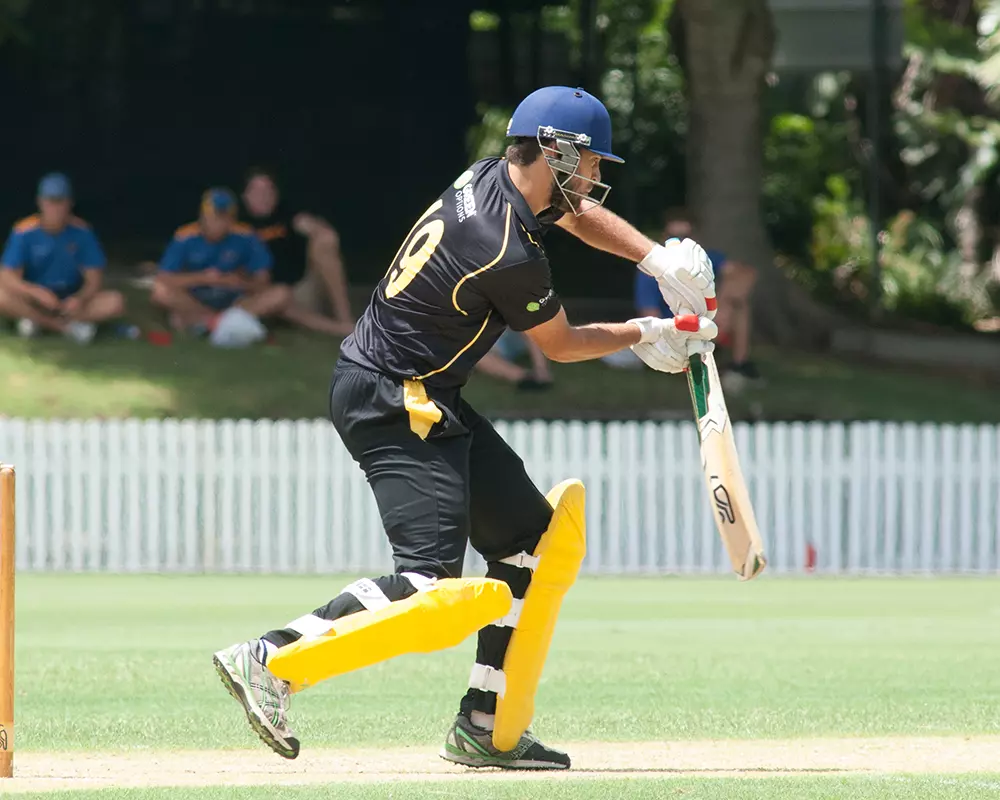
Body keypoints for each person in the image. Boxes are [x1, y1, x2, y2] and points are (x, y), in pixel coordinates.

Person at [212, 86, 717, 770]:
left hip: (419, 390)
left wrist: (655, 262)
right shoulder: (503, 248)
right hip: (393, 400)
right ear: (553, 151)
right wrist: (648, 331)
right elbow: (561, 346)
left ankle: (485, 724)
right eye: (591, 163)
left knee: (531, 545)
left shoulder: (491, 177)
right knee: (428, 585)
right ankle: (270, 659)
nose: (596, 178)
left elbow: (573, 215)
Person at [635, 207, 761, 388]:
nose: (679, 244)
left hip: (709, 323)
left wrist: (723, 301)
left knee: (738, 304)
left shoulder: (705, 260)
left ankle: (738, 364)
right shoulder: (650, 270)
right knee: (734, 304)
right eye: (674, 238)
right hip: (675, 330)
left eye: (685, 237)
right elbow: (650, 315)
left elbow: (747, 274)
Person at [151, 188, 292, 339]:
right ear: (202, 216)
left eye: (225, 218)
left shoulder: (246, 235)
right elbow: (165, 278)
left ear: (232, 219)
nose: (218, 223)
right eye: (214, 217)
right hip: (197, 295)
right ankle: (219, 322)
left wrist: (238, 282)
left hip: (235, 299)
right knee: (160, 291)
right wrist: (204, 278)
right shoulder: (185, 236)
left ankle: (210, 323)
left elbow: (263, 279)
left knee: (282, 293)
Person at [0, 172, 124, 343]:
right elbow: (7, 275)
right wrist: (34, 292)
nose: (55, 208)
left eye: (60, 201)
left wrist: (79, 298)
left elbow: (94, 279)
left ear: (70, 203)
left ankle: (36, 323)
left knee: (115, 301)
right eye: (50, 201)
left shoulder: (82, 231)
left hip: (70, 300)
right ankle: (62, 327)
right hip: (35, 299)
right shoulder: (23, 231)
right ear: (40, 202)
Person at [240, 167, 354, 337]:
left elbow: (323, 233)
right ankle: (343, 330)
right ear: (245, 196)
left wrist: (317, 229)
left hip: (300, 292)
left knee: (324, 242)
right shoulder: (236, 225)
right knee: (277, 296)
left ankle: (345, 319)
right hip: (264, 295)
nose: (262, 196)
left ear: (276, 194)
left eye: (268, 190)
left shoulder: (287, 215)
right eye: (256, 191)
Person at [474, 329, 553, 390]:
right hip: (491, 343)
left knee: (524, 321)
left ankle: (542, 371)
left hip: (512, 333)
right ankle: (525, 378)